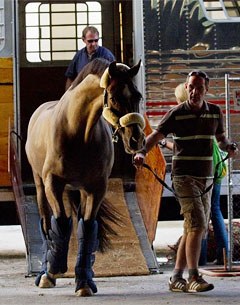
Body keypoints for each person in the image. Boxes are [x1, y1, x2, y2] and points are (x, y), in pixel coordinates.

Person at [134, 71, 238, 293]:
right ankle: (193, 277)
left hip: (206, 176)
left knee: (191, 227)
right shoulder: (176, 113)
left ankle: (176, 278)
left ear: (206, 89)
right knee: (199, 224)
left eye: (199, 87)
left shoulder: (215, 112)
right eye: (191, 87)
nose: (194, 91)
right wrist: (142, 152)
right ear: (186, 87)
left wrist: (229, 146)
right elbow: (155, 136)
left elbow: (220, 139)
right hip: (184, 177)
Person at [174, 83, 229, 266]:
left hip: (207, 172)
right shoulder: (205, 114)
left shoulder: (189, 116)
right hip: (213, 170)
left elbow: (184, 147)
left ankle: (198, 263)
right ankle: (220, 255)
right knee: (204, 217)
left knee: (201, 219)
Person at [65, 26, 115, 90]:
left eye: (96, 40)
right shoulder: (78, 56)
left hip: (100, 94)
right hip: (82, 92)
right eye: (90, 41)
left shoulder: (107, 55)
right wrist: (68, 94)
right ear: (83, 40)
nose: (94, 44)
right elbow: (70, 77)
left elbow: (114, 79)